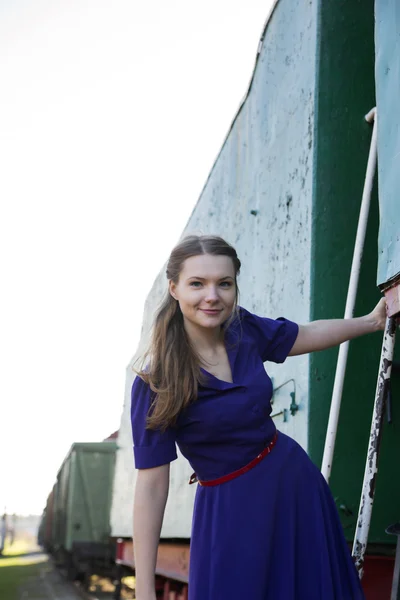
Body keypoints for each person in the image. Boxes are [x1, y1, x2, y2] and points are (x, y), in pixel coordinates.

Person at [131, 234, 387, 600]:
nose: (212, 296)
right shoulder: (156, 381)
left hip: (294, 488)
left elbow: (305, 334)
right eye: (197, 284)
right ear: (174, 289)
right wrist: (143, 590)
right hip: (230, 514)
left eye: (224, 283)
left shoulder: (243, 329)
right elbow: (152, 487)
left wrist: (370, 321)